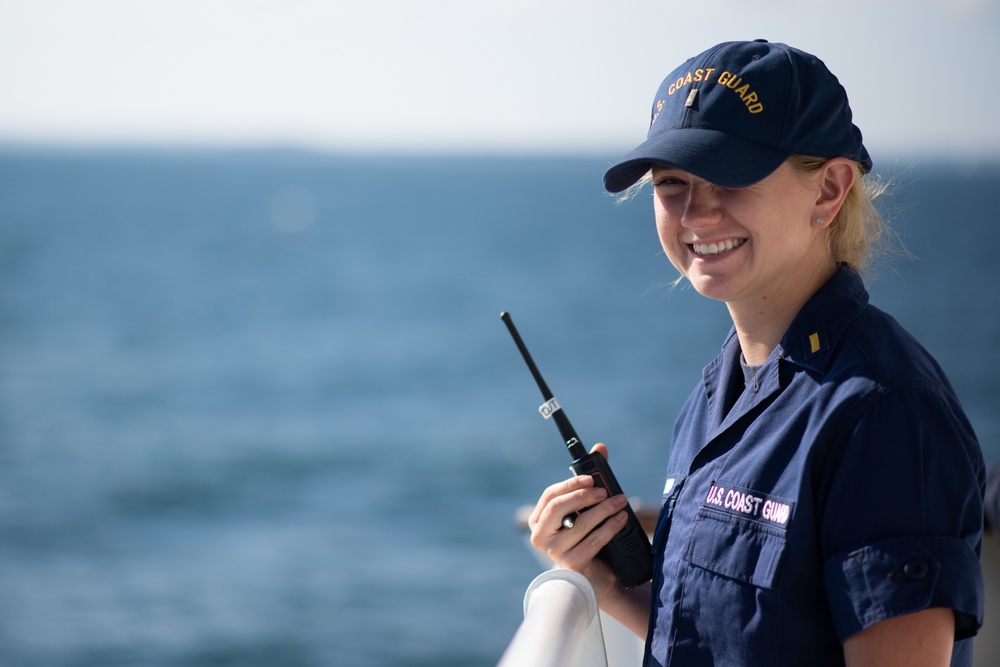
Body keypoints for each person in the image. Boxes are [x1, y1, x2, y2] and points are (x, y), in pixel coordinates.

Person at [527, 40, 985, 666]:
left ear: (829, 190)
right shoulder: (723, 388)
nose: (696, 212)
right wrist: (611, 582)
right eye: (671, 183)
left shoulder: (885, 414)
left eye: (731, 176)